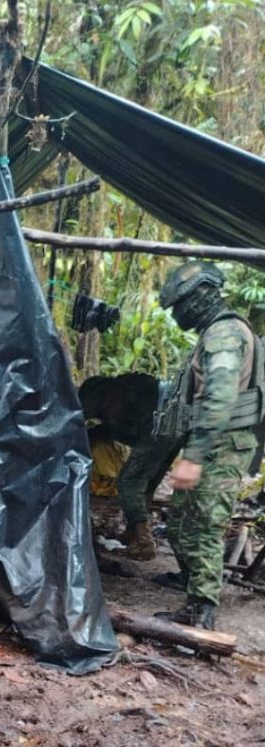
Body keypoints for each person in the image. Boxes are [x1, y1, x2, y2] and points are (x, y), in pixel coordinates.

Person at [152, 261, 262, 629]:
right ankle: (193, 581)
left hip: (222, 444)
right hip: (215, 442)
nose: (177, 314)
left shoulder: (224, 334)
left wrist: (194, 457)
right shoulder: (217, 331)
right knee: (182, 520)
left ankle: (201, 612)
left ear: (200, 296)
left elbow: (218, 398)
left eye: (179, 305)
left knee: (206, 525)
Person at [79, 374, 180, 560]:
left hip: (162, 428)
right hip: (173, 428)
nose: (106, 417)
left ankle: (144, 541)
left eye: (104, 413)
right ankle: (133, 533)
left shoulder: (130, 393)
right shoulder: (128, 397)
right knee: (147, 484)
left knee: (128, 481)